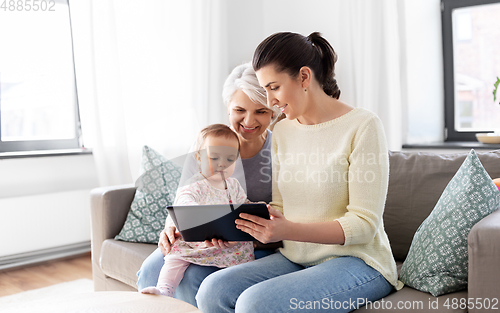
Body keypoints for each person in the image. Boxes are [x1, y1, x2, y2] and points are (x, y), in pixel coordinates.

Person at [196, 32, 403, 313]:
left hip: (358, 261)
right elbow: (280, 207)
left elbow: (364, 225)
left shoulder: (363, 126)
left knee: (254, 304)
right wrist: (237, 229)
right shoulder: (281, 130)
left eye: (274, 87)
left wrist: (288, 229)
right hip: (294, 255)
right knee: (212, 290)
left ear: (304, 77)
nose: (269, 102)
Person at [136, 63, 282, 306]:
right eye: (239, 110)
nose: (249, 120)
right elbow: (184, 196)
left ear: (273, 112)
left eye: (261, 111)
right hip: (196, 241)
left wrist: (240, 236)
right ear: (228, 107)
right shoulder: (209, 143)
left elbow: (280, 217)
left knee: (195, 279)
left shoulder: (280, 151)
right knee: (152, 269)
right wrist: (170, 228)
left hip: (247, 243)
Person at [140, 124, 254, 297]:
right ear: (198, 158)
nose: (222, 164)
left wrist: (256, 208)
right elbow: (183, 201)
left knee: (242, 253)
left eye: (230, 159)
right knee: (175, 255)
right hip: (201, 241)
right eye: (214, 157)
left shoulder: (234, 185)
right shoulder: (195, 184)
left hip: (228, 243)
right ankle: (165, 289)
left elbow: (244, 206)